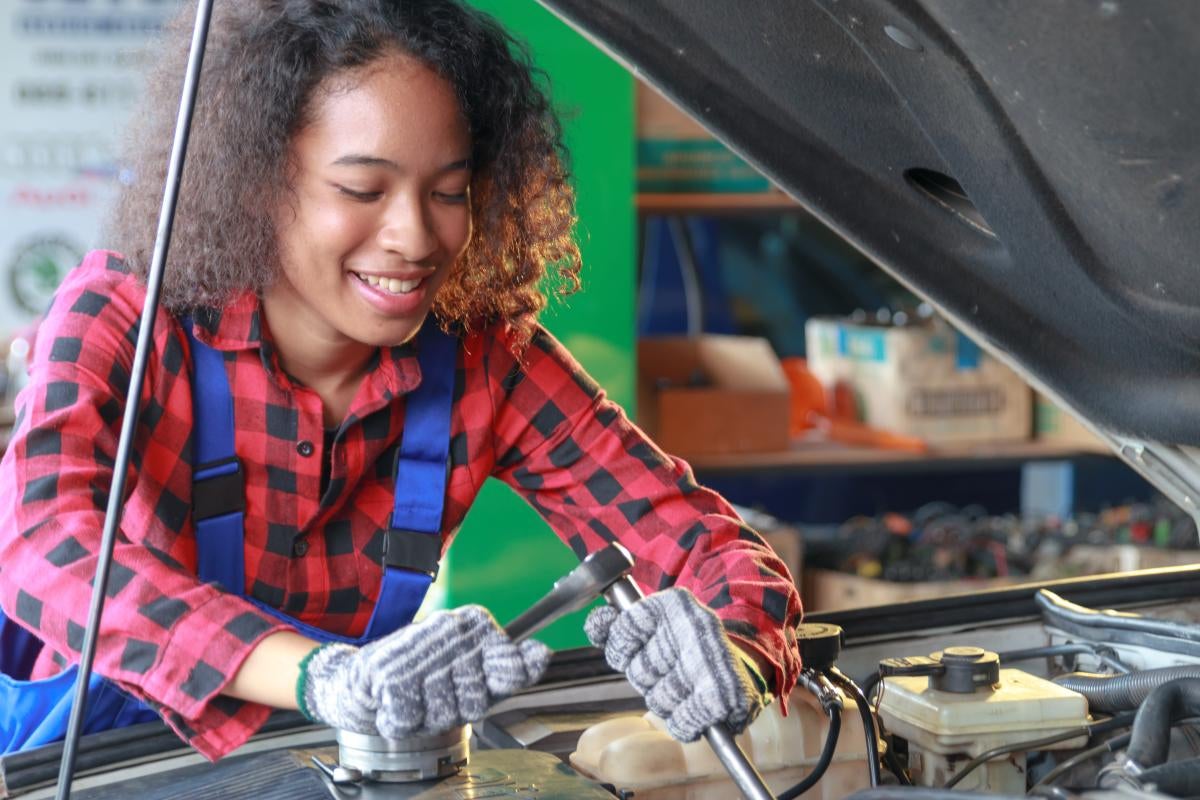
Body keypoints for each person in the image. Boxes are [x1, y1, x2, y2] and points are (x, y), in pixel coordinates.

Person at [0, 0, 802, 761]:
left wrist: (735, 653)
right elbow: (36, 540)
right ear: (254, 178)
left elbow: (706, 542)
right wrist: (320, 675)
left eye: (449, 192)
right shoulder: (129, 316)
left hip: (329, 770)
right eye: (362, 190)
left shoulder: (489, 359)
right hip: (105, 766)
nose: (416, 235)